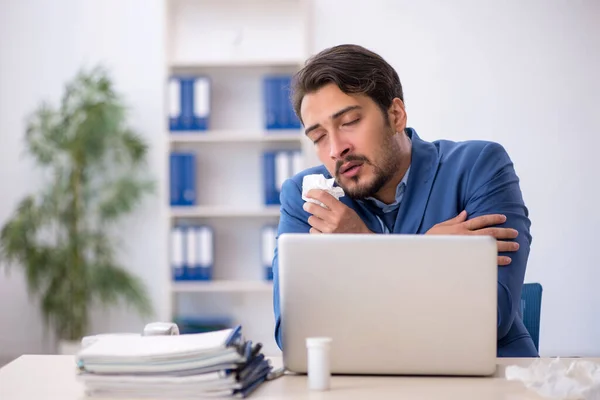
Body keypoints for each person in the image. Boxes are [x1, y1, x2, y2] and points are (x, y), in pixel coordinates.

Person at [271, 44, 537, 357]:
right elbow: (295, 332)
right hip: (359, 383)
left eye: (349, 122)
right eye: (318, 137)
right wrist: (428, 254)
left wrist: (362, 248)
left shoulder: (479, 166)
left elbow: (490, 317)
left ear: (396, 115)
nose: (335, 149)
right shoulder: (305, 198)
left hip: (482, 378)